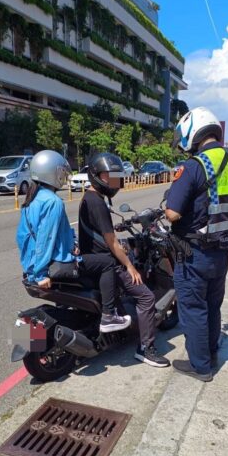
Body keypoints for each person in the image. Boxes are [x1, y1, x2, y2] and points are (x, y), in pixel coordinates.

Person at [166, 107, 228, 382]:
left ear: (193, 132)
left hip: (193, 254)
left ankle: (201, 366)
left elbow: (173, 213)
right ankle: (211, 354)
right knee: (213, 306)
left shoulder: (193, 167)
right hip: (223, 251)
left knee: (193, 309)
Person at [16, 150, 131, 333]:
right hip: (54, 266)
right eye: (61, 172)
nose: (64, 176)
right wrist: (40, 274)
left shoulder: (33, 199)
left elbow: (24, 237)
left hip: (33, 266)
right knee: (108, 262)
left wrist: (71, 246)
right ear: (51, 172)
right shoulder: (53, 201)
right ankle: (109, 316)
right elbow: (46, 239)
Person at [78, 152, 170, 368]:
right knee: (147, 298)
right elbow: (111, 242)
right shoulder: (97, 202)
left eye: (117, 176)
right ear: (97, 175)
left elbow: (101, 235)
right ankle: (146, 349)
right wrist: (129, 266)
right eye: (111, 176)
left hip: (92, 257)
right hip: (105, 261)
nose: (115, 181)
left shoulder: (90, 198)